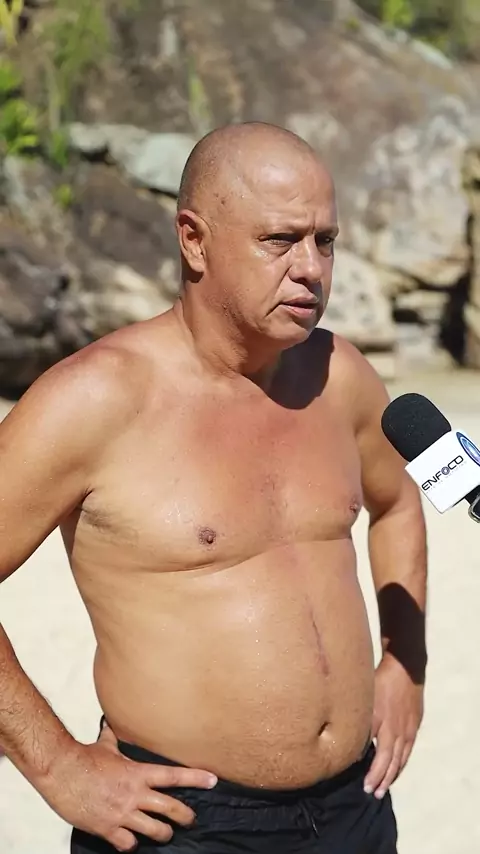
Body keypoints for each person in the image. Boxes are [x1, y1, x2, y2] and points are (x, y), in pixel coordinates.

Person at [0, 122, 427, 854]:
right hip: (183, 824)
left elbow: (398, 502)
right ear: (194, 241)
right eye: (279, 240)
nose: (311, 268)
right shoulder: (95, 400)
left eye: (325, 241)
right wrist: (57, 765)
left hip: (355, 807)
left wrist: (406, 663)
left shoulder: (342, 377)